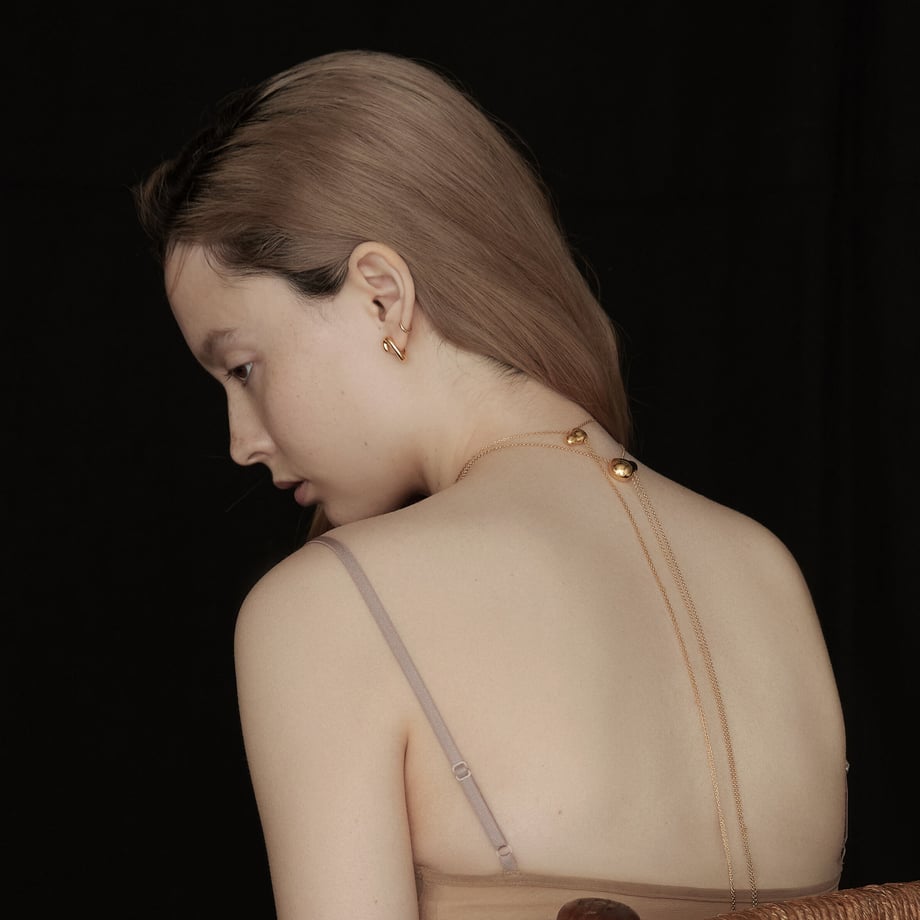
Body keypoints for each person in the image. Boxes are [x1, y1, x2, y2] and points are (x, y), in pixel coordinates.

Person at [134, 49, 848, 920]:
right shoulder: (764, 568)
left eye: (243, 368)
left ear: (381, 295)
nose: (241, 443)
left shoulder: (328, 607)